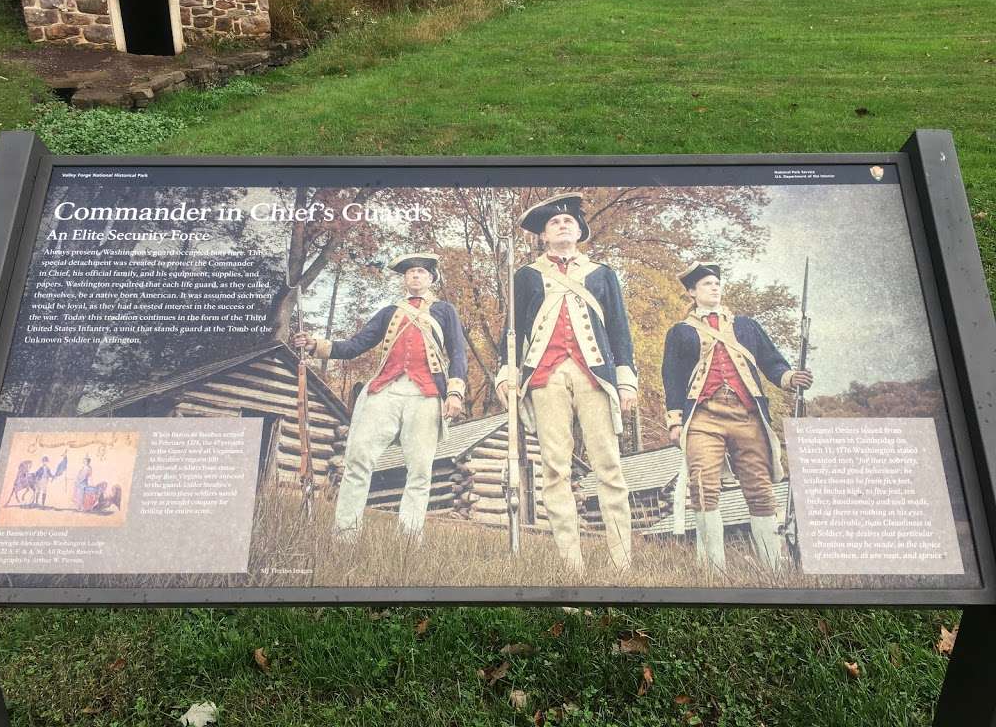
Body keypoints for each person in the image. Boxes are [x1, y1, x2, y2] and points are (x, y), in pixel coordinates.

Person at [496, 192, 638, 572]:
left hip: (594, 374)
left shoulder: (602, 273)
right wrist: (506, 375)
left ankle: (621, 560)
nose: (562, 225)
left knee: (608, 464)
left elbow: (621, 331)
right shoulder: (526, 276)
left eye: (569, 222)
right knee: (555, 468)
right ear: (543, 236)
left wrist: (626, 381)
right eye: (554, 222)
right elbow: (513, 330)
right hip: (545, 374)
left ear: (579, 233)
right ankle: (570, 562)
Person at [294, 252, 467, 538]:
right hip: (385, 390)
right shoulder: (389, 312)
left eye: (421, 272)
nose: (415, 276)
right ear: (404, 279)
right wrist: (316, 345)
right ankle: (345, 534)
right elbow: (355, 345)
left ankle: (409, 539)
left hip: (426, 394)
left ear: (431, 278)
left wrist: (455, 393)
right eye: (410, 272)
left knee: (420, 470)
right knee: (358, 459)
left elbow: (458, 352)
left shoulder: (445, 311)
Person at [661, 262, 813, 572]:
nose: (714, 287)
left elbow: (772, 362)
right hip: (703, 415)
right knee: (702, 483)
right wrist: (675, 421)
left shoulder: (746, 326)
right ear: (692, 292)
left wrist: (789, 378)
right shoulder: (681, 332)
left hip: (746, 413)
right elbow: (672, 378)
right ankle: (713, 570)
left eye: (716, 282)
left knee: (759, 486)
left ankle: (774, 569)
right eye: (706, 284)